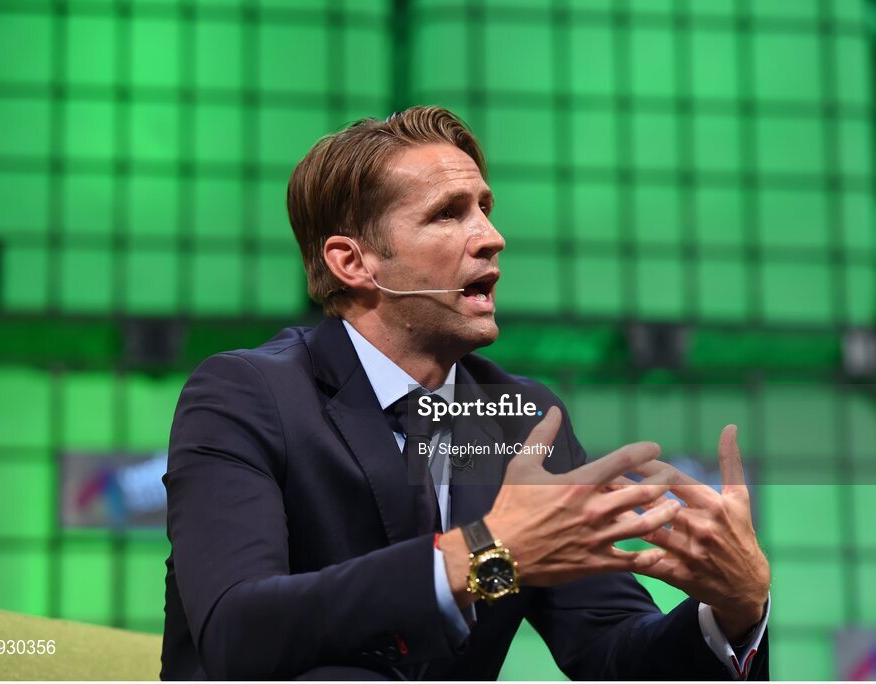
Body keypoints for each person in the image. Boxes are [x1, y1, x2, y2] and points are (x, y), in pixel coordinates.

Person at [160, 106, 771, 681]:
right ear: (353, 263)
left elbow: (611, 652)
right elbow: (237, 628)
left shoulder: (526, 423)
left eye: (485, 207)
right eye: (449, 213)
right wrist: (484, 551)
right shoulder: (247, 393)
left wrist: (733, 611)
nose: (492, 237)